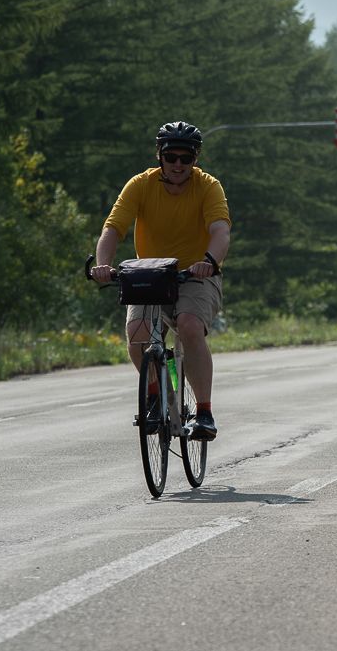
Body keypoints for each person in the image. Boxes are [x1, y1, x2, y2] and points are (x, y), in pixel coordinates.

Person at [90, 121, 231, 440]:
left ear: (195, 159)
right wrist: (103, 265)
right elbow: (112, 229)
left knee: (190, 326)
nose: (178, 164)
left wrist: (209, 262)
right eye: (171, 157)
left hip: (195, 273)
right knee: (137, 334)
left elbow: (220, 231)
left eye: (186, 157)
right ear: (160, 156)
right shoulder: (140, 185)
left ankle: (205, 412)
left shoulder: (208, 186)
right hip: (150, 272)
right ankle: (160, 395)